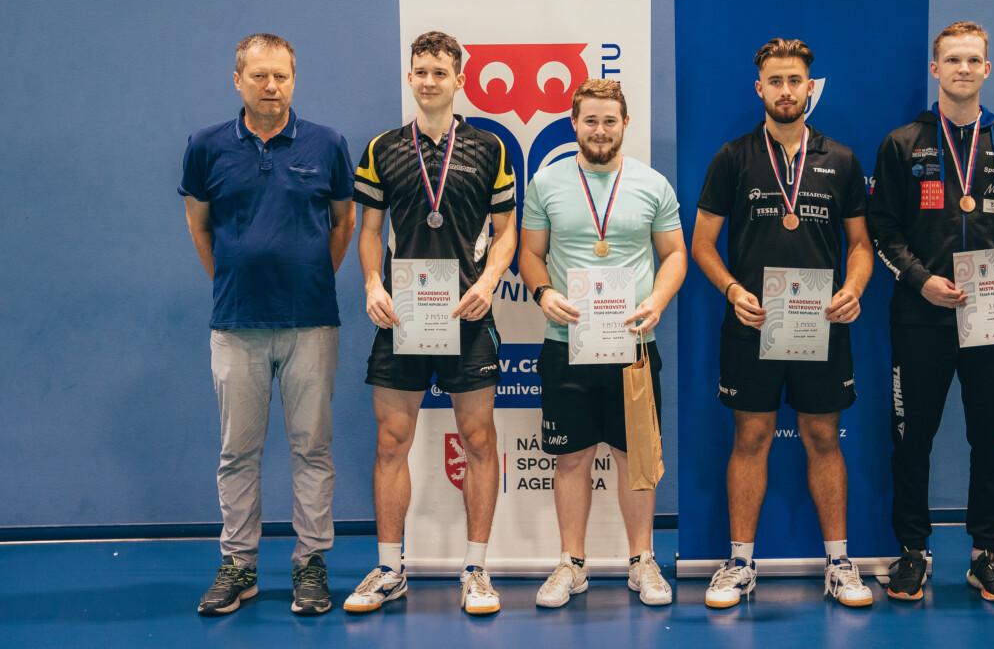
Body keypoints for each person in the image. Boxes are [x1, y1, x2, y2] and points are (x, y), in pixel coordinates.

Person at [691, 38, 875, 609]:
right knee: (750, 438)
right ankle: (740, 564)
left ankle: (839, 564)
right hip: (753, 324)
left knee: (823, 438)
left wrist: (853, 289)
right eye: (776, 81)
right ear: (760, 88)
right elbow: (702, 244)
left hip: (822, 323)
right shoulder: (732, 158)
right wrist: (733, 290)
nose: (786, 91)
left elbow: (861, 244)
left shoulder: (841, 159)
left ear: (809, 87)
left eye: (795, 80)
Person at [868, 21, 994, 603]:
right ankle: (912, 552)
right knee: (911, 439)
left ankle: (983, 554)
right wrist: (920, 281)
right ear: (935, 69)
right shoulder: (903, 144)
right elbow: (882, 229)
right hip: (920, 318)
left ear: (987, 69)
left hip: (993, 320)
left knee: (992, 441)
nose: (963, 69)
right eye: (952, 60)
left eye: (972, 60)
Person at [181, 33, 355, 616]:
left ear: (293, 79)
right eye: (259, 76)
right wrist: (235, 278)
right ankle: (239, 565)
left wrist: (311, 277)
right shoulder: (205, 147)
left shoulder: (327, 144)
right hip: (236, 324)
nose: (271, 86)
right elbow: (199, 226)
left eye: (281, 76)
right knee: (237, 452)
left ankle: (311, 563)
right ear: (238, 80)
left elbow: (343, 223)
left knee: (313, 450)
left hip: (311, 323)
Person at [344, 30, 517, 617]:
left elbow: (507, 232)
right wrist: (373, 284)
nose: (429, 81)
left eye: (440, 72)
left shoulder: (490, 148)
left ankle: (476, 570)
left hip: (468, 312)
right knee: (391, 442)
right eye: (420, 71)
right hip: (404, 314)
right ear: (409, 77)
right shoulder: (383, 148)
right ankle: (390, 569)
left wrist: (488, 283)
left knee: (479, 440)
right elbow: (370, 231)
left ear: (459, 80)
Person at [518, 79, 687, 608]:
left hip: (633, 346)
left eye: (609, 120)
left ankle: (642, 561)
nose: (599, 130)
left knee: (636, 457)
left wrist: (657, 300)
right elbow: (530, 254)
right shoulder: (546, 182)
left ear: (625, 123)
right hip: (566, 343)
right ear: (574, 123)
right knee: (571, 458)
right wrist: (543, 293)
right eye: (589, 120)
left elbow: (675, 254)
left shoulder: (652, 184)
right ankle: (572, 563)